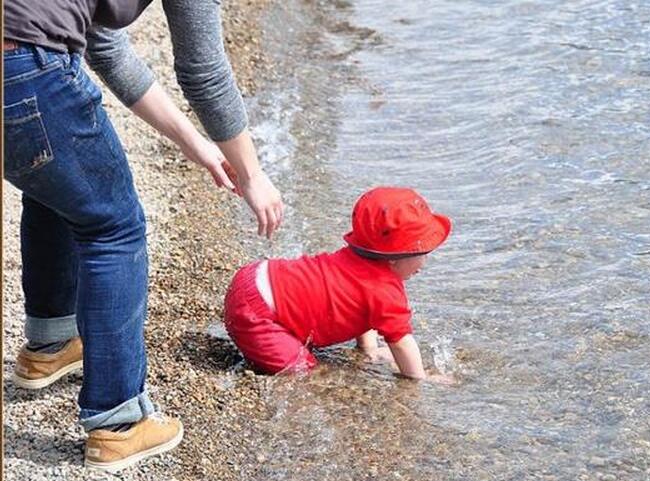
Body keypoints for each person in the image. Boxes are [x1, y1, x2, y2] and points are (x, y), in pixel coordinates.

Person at [3, 0, 283, 472]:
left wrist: (197, 144)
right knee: (114, 229)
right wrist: (252, 174)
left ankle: (51, 346)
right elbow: (204, 71)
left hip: (19, 57)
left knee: (56, 184)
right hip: (26, 66)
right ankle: (118, 424)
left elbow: (104, 47)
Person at [224, 187, 453, 382]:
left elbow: (365, 309)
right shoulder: (386, 291)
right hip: (256, 314)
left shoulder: (356, 259)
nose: (424, 263)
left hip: (256, 276)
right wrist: (420, 379)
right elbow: (401, 342)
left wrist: (369, 349)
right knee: (304, 373)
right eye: (422, 253)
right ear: (394, 257)